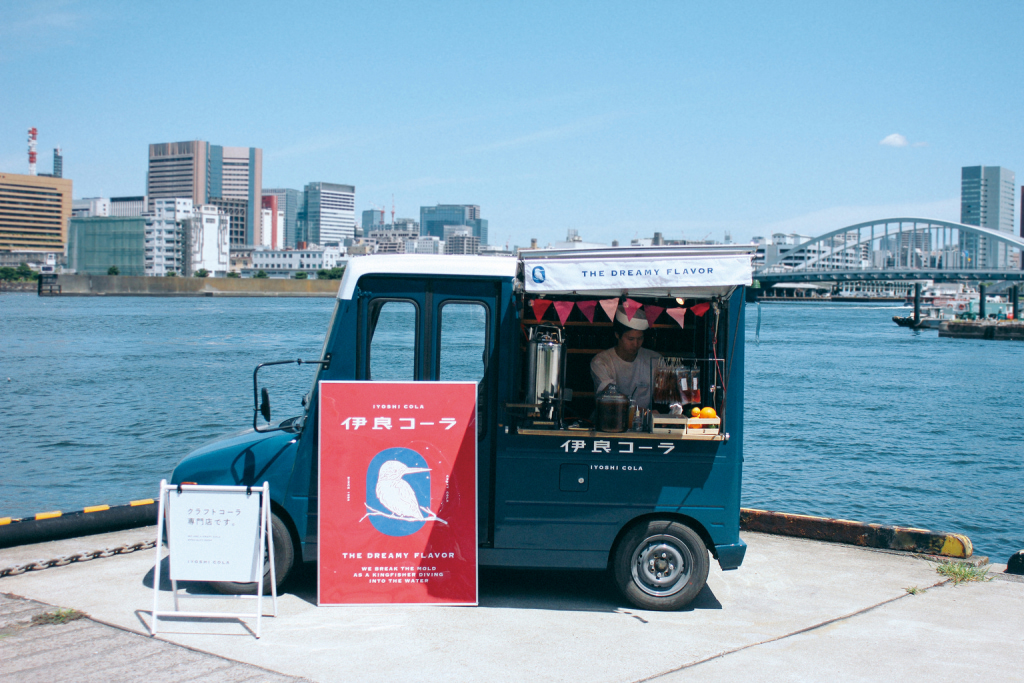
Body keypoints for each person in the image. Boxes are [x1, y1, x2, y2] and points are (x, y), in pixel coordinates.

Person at [590, 307, 662, 409]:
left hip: (644, 417)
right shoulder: (601, 362)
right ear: (617, 335)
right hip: (611, 417)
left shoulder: (654, 359)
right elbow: (611, 397)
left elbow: (667, 392)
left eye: (640, 338)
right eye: (630, 339)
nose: (636, 344)